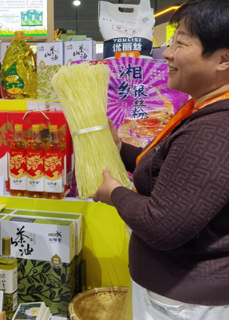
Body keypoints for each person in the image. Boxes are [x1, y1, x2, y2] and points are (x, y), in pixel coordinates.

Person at [93, 0, 229, 319]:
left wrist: (112, 193)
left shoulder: (215, 129)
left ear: (224, 59)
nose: (166, 53)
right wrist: (120, 148)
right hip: (181, 294)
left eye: (180, 43)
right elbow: (172, 174)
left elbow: (162, 226)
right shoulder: (204, 113)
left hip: (186, 303)